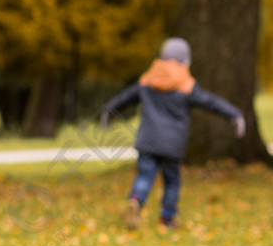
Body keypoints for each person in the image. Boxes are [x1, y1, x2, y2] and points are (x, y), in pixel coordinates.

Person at [101, 37, 245, 230]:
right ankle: (167, 219)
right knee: (172, 181)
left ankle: (135, 200)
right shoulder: (187, 85)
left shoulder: (148, 80)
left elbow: (126, 97)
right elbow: (210, 102)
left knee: (144, 176)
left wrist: (109, 111)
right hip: (172, 144)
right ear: (185, 60)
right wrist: (234, 115)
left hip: (148, 140)